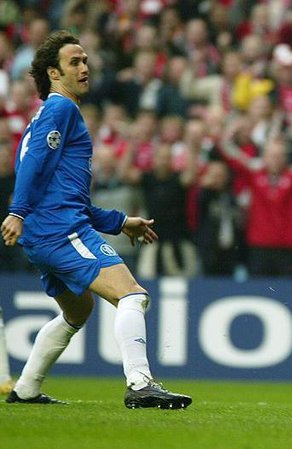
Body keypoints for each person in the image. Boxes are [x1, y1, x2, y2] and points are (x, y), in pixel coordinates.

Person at [0, 31, 191, 409]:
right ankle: (140, 383)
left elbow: (67, 195)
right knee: (132, 294)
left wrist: (120, 222)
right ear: (54, 73)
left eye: (86, 60)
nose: (84, 67)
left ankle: (26, 388)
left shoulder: (47, 116)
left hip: (47, 231)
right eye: (75, 62)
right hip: (60, 230)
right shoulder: (61, 109)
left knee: (78, 310)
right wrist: (16, 212)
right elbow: (34, 165)